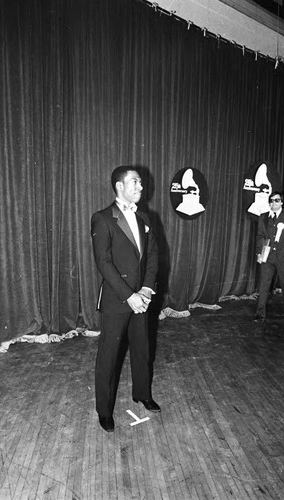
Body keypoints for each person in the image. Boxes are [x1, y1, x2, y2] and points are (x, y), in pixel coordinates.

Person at [91, 166, 160, 432]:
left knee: (142, 348)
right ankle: (104, 411)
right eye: (135, 182)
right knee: (109, 355)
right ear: (119, 186)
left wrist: (145, 290)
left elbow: (152, 256)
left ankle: (142, 394)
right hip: (117, 300)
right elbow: (104, 262)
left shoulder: (145, 217)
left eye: (140, 183)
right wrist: (129, 295)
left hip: (141, 298)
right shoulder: (103, 218)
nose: (141, 187)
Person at [254, 191, 284, 322]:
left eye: (276, 200)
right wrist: (259, 253)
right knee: (263, 284)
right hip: (267, 256)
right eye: (271, 200)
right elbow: (260, 236)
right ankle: (259, 313)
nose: (273, 203)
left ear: (281, 202)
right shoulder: (263, 217)